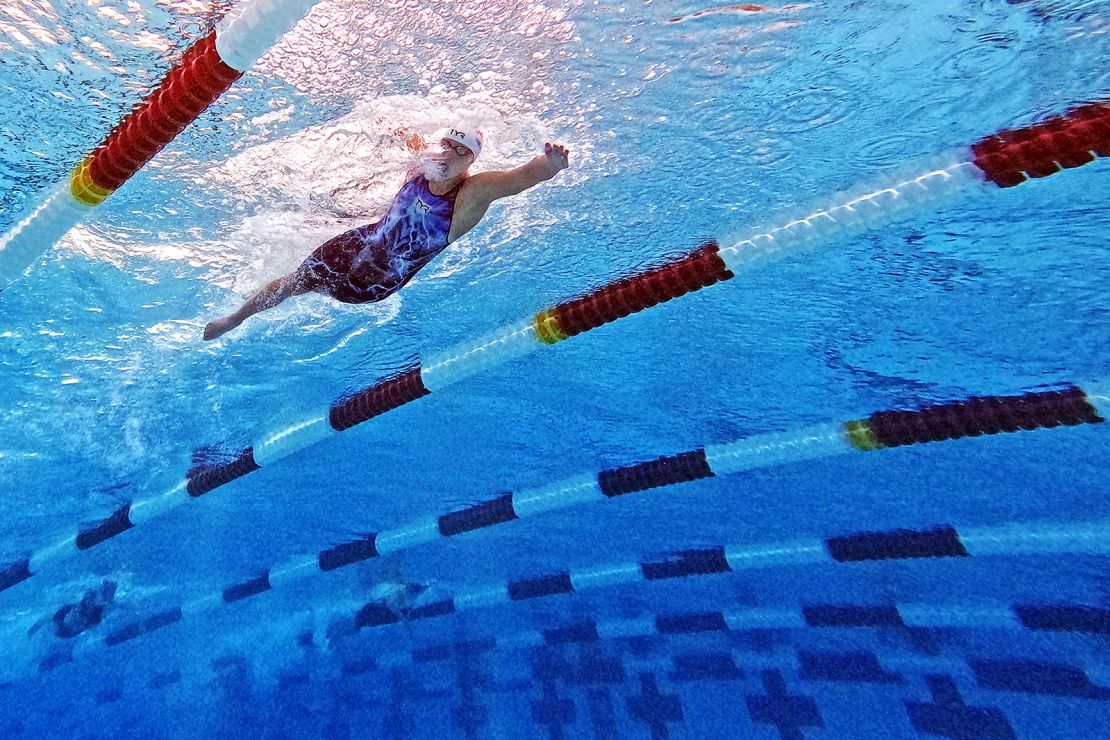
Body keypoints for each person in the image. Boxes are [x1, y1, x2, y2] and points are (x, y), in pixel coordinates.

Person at [203, 127, 572, 340]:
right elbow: (409, 142)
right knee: (294, 281)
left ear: (470, 162)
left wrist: (549, 166)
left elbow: (518, 179)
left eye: (462, 153)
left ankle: (301, 295)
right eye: (447, 146)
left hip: (376, 281)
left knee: (328, 289)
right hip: (359, 241)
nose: (449, 155)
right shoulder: (424, 164)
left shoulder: (472, 194)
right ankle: (235, 318)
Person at [27, 579, 117, 639]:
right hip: (79, 618)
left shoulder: (61, 616)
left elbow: (45, 618)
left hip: (72, 621)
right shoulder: (96, 614)